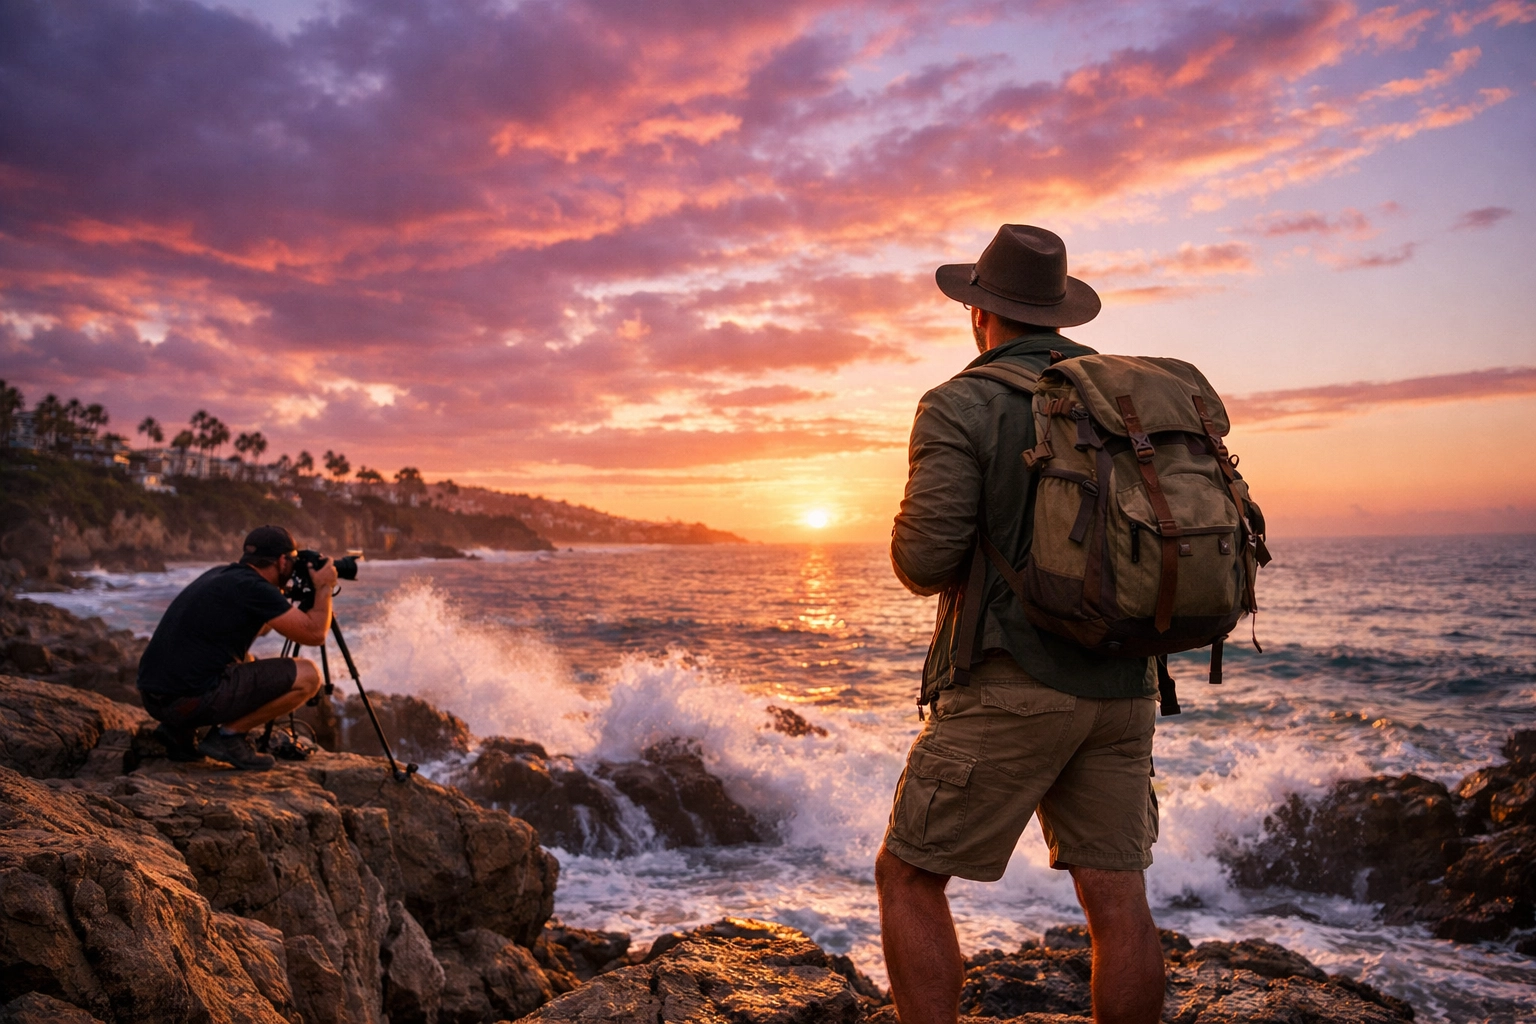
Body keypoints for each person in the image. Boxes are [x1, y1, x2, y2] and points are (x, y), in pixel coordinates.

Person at [877, 225, 1165, 1024]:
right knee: (1117, 901)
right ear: (1059, 313)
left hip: (1014, 683)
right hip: (1125, 685)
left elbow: (926, 559)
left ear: (980, 314)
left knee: (908, 874)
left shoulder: (960, 402)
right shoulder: (1122, 395)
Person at [137, 525, 336, 770]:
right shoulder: (254, 588)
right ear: (282, 561)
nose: (294, 567)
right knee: (308, 675)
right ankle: (227, 738)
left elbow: (260, 627)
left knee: (247, 660)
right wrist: (324, 587)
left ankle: (178, 732)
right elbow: (315, 635)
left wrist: (287, 603)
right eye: (293, 561)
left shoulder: (223, 575)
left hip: (156, 699)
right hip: (187, 703)